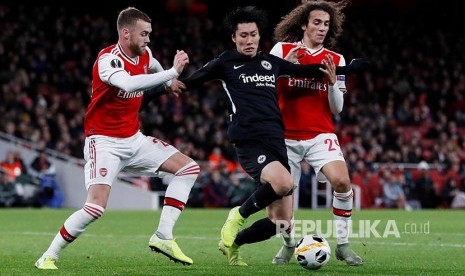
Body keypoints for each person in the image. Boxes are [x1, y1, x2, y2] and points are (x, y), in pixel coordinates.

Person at [142, 6, 366, 266]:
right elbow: (188, 83)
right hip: (251, 139)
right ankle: (237, 215)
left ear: (260, 36)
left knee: (280, 221)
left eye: (253, 35)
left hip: (277, 140)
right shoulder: (227, 61)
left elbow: (309, 71)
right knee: (283, 184)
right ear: (234, 38)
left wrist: (347, 70)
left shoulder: (271, 63)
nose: (249, 40)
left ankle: (235, 244)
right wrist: (155, 91)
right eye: (243, 36)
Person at [35, 7, 199, 270]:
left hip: (134, 140)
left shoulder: (145, 55)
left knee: (188, 168)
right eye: (143, 34)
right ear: (126, 33)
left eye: (149, 34)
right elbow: (131, 85)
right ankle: (48, 256)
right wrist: (171, 73)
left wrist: (168, 84)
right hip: (104, 143)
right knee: (95, 208)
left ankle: (163, 236)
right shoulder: (108, 59)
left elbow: (152, 66)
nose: (147, 39)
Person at [269, 0, 363, 265]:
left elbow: (337, 109)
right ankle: (288, 245)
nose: (322, 28)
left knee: (343, 182)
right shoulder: (282, 50)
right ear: (303, 24)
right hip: (285, 137)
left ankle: (343, 245)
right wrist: (281, 69)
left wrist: (333, 84)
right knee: (282, 205)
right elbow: (267, 92)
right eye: (317, 23)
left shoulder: (336, 60)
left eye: (326, 24)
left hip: (320, 134)